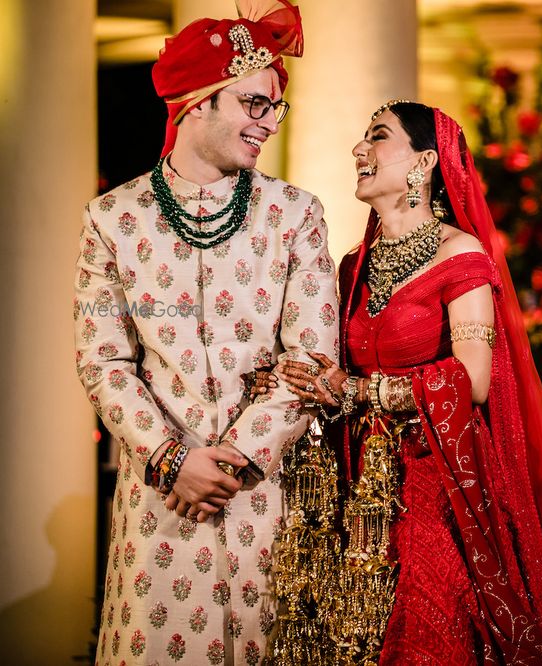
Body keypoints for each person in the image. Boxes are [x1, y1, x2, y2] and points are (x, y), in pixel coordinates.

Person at [260, 101, 542, 664]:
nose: (359, 150)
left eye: (377, 136)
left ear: (424, 162)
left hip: (435, 479)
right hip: (356, 483)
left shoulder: (460, 255)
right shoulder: (351, 268)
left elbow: (471, 378)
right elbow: (334, 371)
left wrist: (362, 391)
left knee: (425, 627)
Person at [74, 2, 338, 663]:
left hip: (262, 497)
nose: (268, 123)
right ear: (196, 102)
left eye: (275, 108)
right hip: (162, 500)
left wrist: (235, 461)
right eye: (253, 103)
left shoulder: (295, 214)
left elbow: (310, 353)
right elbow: (104, 362)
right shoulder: (112, 219)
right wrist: (173, 461)